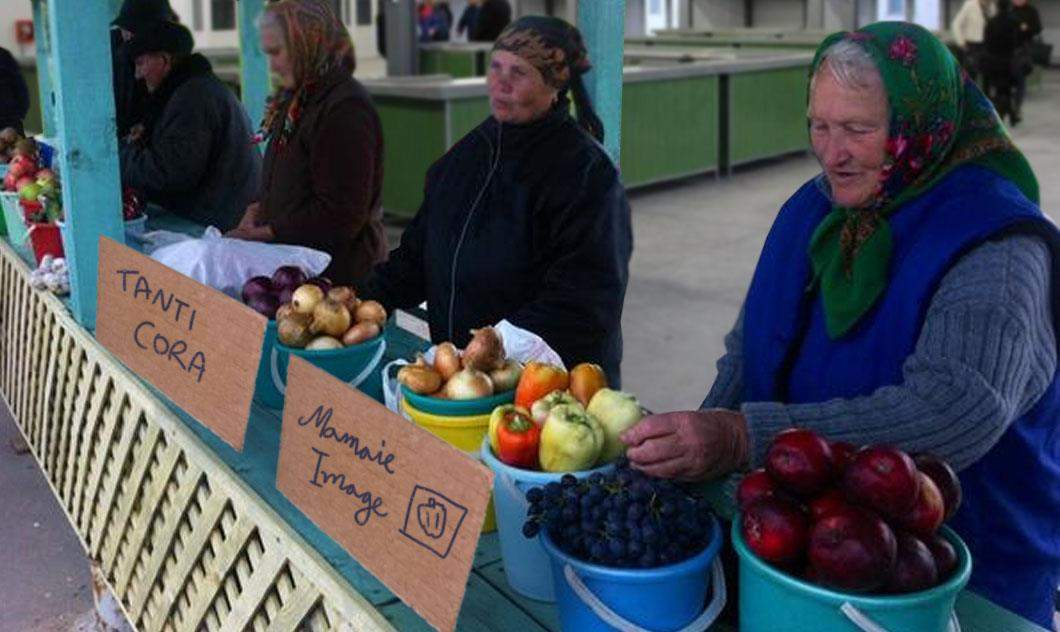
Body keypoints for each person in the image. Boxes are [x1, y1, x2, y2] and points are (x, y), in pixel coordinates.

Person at [622, 22, 1059, 628]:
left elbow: (952, 413)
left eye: (858, 129)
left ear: (918, 128)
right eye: (819, 126)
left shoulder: (996, 245)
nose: (832, 153)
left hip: (955, 578)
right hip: (813, 548)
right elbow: (749, 352)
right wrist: (696, 450)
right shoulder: (815, 208)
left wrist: (744, 437)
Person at [361, 16, 632, 384]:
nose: (501, 83)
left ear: (553, 86)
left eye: (519, 72)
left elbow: (585, 303)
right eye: (496, 67)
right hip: (464, 385)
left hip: (543, 391)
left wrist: (490, 346)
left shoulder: (585, 175)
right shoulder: (463, 159)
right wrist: (359, 298)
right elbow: (415, 261)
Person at [226, 0, 387, 286]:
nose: (272, 65)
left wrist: (263, 233)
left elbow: (340, 214)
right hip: (299, 271)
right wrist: (258, 209)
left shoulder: (345, 108)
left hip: (337, 282)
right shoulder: (300, 97)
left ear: (308, 43)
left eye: (277, 52)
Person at [119, 21, 261, 231]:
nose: (137, 75)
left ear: (165, 60)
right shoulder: (193, 88)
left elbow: (170, 173)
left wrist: (116, 156)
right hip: (221, 212)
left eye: (140, 63)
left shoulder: (193, 98)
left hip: (220, 224)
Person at [111, 0, 178, 140]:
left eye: (134, 28)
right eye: (124, 27)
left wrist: (147, 124)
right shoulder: (109, 48)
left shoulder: (168, 56)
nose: (128, 34)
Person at [982, 0, 1020, 123]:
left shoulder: (991, 22)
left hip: (993, 61)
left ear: (997, 7)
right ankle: (1011, 114)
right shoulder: (1013, 22)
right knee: (1006, 89)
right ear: (1009, 7)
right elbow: (1016, 42)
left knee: (994, 88)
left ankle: (998, 115)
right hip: (1008, 61)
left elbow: (986, 42)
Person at [1009, 0, 1042, 123]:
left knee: (1019, 78)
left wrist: (1027, 28)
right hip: (1006, 50)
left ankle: (1017, 107)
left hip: (1023, 50)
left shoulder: (1032, 11)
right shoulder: (1008, 9)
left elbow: (1038, 28)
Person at [951, 0, 993, 80]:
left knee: (986, 76)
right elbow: (956, 24)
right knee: (971, 76)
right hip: (971, 45)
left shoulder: (991, 7)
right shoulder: (970, 4)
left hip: (985, 46)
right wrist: (961, 43)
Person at [0, 46, 30, 134]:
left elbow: (21, 88)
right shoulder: (4, 55)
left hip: (10, 122)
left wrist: (18, 116)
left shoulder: (3, 56)